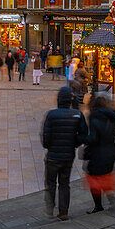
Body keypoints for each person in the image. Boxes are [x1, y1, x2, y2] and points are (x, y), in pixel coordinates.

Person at [41, 86, 89, 220]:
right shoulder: (77, 115)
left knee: (50, 182)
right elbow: (84, 134)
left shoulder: (51, 115)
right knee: (64, 183)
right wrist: (74, 143)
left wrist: (50, 145)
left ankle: (50, 208)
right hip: (68, 155)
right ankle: (64, 211)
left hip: (52, 156)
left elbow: (45, 138)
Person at [83, 93, 115, 213]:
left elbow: (93, 138)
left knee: (94, 178)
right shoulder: (113, 118)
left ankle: (98, 206)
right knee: (105, 176)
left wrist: (81, 139)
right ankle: (112, 201)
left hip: (97, 152)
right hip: (110, 151)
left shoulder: (94, 118)